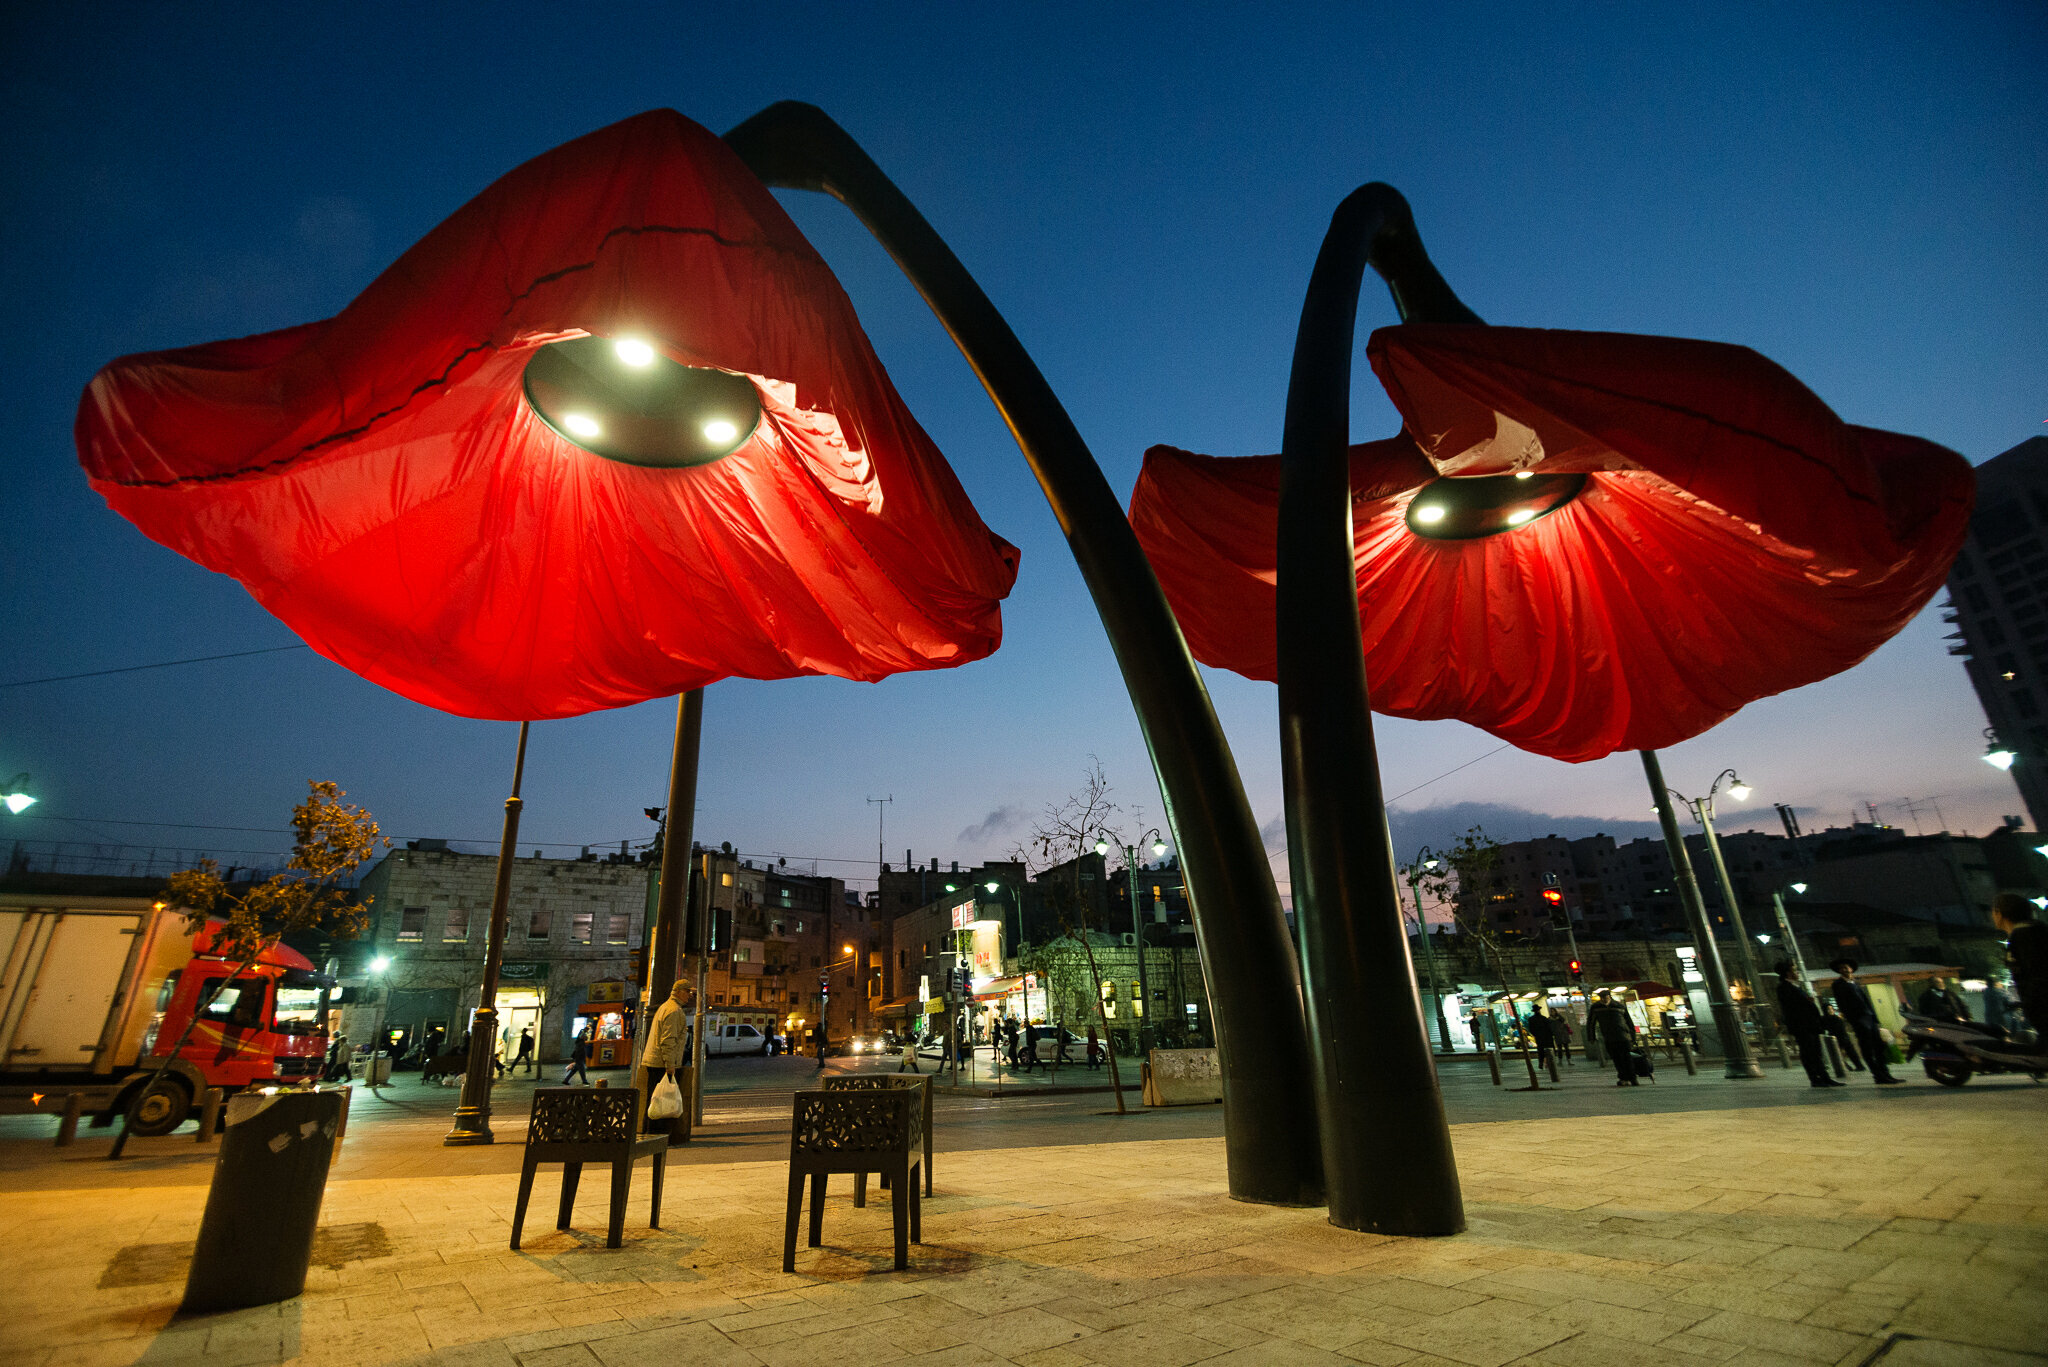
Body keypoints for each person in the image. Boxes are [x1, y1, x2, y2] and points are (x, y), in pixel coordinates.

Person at [1827, 960, 1902, 1084]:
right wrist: (1853, 1020)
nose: (1844, 970)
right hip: (1859, 1020)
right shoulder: (1838, 985)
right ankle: (1878, 1075)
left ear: (1851, 969)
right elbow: (1842, 1004)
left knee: (1879, 1047)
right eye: (1841, 968)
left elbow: (1866, 1001)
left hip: (1869, 1017)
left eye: (1846, 967)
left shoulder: (1855, 983)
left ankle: (1885, 1073)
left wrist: (1875, 1019)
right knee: (1867, 1048)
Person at [1776, 963, 1845, 1088]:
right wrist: (1807, 1002)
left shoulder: (1796, 986)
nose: (1797, 973)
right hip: (1801, 1025)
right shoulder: (1784, 987)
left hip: (1811, 1024)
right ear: (1788, 973)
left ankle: (1824, 1077)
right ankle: (1815, 1078)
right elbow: (1791, 1007)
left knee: (1816, 1052)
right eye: (1795, 971)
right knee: (1808, 1052)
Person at [1991, 893, 2048, 1036]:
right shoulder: (2032, 933)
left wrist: (2032, 1005)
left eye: (1993, 912)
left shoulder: (2025, 936)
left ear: (1999, 913)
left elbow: (2038, 974)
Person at [640, 981, 692, 1133]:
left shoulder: (665, 1007)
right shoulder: (674, 1011)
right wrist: (670, 1065)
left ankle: (649, 1132)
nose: (689, 995)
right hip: (661, 1064)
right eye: (687, 991)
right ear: (677, 992)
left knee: (655, 1099)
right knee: (662, 1101)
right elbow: (668, 1040)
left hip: (655, 1061)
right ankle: (657, 1137)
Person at [1587, 991, 1639, 1085]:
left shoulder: (1619, 1006)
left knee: (1627, 1058)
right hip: (1609, 1037)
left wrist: (1633, 1036)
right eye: (1602, 998)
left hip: (1623, 1036)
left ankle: (1633, 1078)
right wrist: (1591, 1037)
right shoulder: (1596, 1008)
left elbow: (1629, 1021)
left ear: (1609, 997)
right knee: (1616, 1059)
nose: (1604, 999)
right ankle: (1623, 1078)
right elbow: (1591, 1023)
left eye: (1606, 997)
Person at [1816, 997, 1865, 1070]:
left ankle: (1859, 1066)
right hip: (1834, 1039)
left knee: (1851, 1053)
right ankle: (1846, 1067)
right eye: (1828, 1009)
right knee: (1837, 1054)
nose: (1831, 1010)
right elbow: (1822, 1028)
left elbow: (1841, 1029)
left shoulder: (1837, 1018)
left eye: (1832, 1009)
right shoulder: (1824, 1019)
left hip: (1843, 1038)